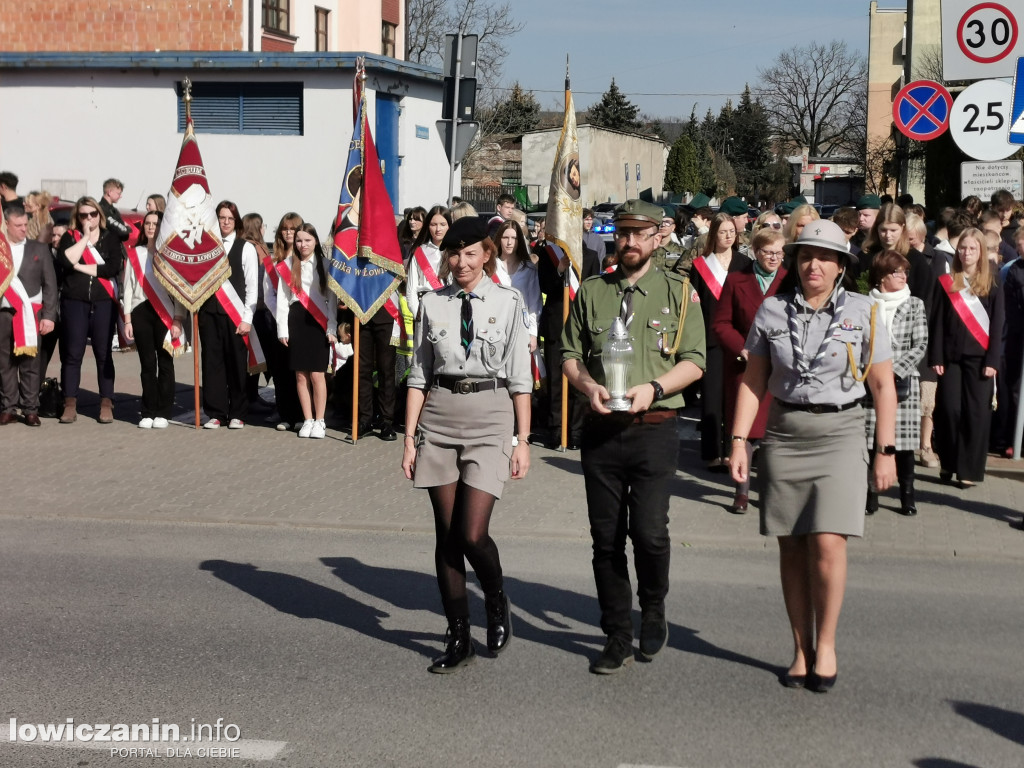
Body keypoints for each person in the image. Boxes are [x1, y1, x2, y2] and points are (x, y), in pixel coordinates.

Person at [730, 220, 897, 693]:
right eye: (805, 255)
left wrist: (884, 451)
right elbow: (754, 381)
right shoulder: (772, 311)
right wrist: (739, 440)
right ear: (794, 261)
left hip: (842, 431)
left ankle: (827, 644)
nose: (814, 264)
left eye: (824, 256)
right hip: (785, 433)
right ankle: (801, 648)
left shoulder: (864, 312)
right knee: (791, 542)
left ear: (841, 265)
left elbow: (883, 386)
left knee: (827, 542)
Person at [562, 200, 706, 674]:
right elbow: (568, 353)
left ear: (657, 237)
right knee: (605, 539)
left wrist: (656, 388)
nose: (628, 242)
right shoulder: (592, 292)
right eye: (622, 233)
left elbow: (695, 360)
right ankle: (617, 633)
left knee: (649, 533)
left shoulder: (680, 294)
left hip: (655, 429)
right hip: (602, 430)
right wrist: (587, 385)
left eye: (638, 234)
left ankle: (654, 608)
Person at [401, 216, 532, 673]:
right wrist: (409, 439)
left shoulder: (509, 301)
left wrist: (523, 440)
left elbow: (520, 378)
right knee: (446, 535)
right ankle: (459, 637)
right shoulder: (431, 303)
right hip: (438, 419)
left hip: (491, 416)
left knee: (471, 532)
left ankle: (496, 597)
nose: (461, 262)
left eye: (471, 253)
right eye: (454, 254)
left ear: (487, 254)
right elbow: (418, 375)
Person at [710, 227, 787, 512]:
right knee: (747, 434)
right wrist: (742, 347)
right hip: (745, 368)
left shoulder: (789, 280)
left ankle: (771, 493)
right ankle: (741, 492)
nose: (775, 258)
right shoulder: (736, 280)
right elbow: (721, 324)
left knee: (774, 435)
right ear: (755, 252)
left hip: (781, 367)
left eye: (780, 253)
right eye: (769, 253)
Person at [930, 227, 1004, 487]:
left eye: (972, 248)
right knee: (948, 411)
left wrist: (993, 361)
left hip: (980, 360)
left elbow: (997, 324)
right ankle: (949, 462)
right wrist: (936, 355)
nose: (966, 252)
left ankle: (969, 470)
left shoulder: (992, 283)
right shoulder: (947, 282)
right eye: (962, 247)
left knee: (976, 415)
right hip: (950, 359)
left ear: (981, 251)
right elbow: (937, 321)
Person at [863, 250, 928, 516]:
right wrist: (872, 371)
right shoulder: (865, 304)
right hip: (870, 382)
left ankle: (907, 496)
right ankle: (871, 495)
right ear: (881, 276)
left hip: (902, 381)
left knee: (903, 445)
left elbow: (920, 344)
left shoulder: (914, 304)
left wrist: (893, 371)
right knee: (870, 441)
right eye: (896, 272)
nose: (902, 276)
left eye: (905, 272)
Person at [56, 196, 125, 424]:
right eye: (84, 215)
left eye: (92, 214)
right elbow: (67, 261)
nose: (89, 218)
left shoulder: (111, 238)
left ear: (99, 215)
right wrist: (84, 238)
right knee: (73, 354)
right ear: (78, 216)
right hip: (74, 301)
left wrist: (80, 267)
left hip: (103, 301)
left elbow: (113, 268)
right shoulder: (70, 237)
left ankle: (106, 402)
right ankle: (70, 403)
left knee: (103, 354)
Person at [690, 211, 748, 470]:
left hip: (738, 339)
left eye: (731, 232)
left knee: (736, 397)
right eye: (723, 232)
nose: (728, 236)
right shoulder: (701, 266)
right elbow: (695, 307)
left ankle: (733, 450)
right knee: (712, 397)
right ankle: (713, 452)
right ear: (714, 234)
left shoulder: (745, 264)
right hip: (710, 340)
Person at [122, 210, 186, 429]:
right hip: (140, 311)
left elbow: (178, 289)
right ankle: (147, 410)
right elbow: (128, 289)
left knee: (165, 363)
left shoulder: (170, 254)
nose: (151, 227)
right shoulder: (134, 253)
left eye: (155, 224)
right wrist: (127, 320)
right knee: (147, 364)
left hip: (166, 313)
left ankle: (163, 411)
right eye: (147, 223)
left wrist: (178, 318)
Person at [198, 200, 258, 429]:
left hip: (235, 316)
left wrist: (247, 318)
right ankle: (216, 413)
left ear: (236, 222)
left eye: (229, 218)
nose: (225, 222)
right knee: (212, 364)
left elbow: (252, 287)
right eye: (221, 217)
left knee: (236, 365)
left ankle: (238, 412)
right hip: (209, 314)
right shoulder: (206, 247)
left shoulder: (246, 248)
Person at [276, 223, 338, 439]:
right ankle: (307, 419)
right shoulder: (286, 264)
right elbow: (282, 300)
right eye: (299, 240)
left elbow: (331, 299)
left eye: (307, 240)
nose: (303, 244)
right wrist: (282, 329)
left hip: (318, 323)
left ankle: (320, 421)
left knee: (317, 374)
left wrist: (331, 326)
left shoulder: (326, 264)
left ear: (315, 241)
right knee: (300, 375)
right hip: (297, 321)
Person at [0, 206, 57, 426]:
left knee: (31, 363)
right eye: (19, 225)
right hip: (4, 313)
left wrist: (49, 316)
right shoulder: (1, 250)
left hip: (31, 315)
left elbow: (50, 285)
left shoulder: (39, 249)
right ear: (6, 225)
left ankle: (31, 409)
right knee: (5, 363)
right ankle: (8, 407)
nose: (24, 229)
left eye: (26, 224)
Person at [262, 213, 304, 432]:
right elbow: (268, 294)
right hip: (277, 321)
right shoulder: (274, 260)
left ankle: (300, 415)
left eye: (293, 228)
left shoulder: (304, 259)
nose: (289, 232)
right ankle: (285, 414)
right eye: (285, 229)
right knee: (280, 370)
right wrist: (280, 316)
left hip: (299, 321)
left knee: (298, 369)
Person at [493, 220, 542, 354]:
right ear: (499, 239)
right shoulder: (490, 268)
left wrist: (533, 333)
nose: (509, 242)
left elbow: (534, 303)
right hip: (495, 328)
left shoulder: (529, 269)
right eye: (505, 238)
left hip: (522, 328)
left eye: (514, 238)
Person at [405, 206, 449, 318]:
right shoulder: (419, 251)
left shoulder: (456, 252)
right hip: (424, 309)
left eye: (443, 224)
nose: (438, 229)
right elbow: (411, 290)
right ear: (428, 226)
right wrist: (419, 316)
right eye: (433, 225)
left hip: (449, 308)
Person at [98, 178, 132, 242]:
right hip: (105, 249)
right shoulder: (101, 209)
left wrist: (126, 229)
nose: (120, 196)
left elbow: (125, 236)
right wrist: (127, 228)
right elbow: (122, 231)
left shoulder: (114, 210)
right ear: (110, 192)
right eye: (118, 193)